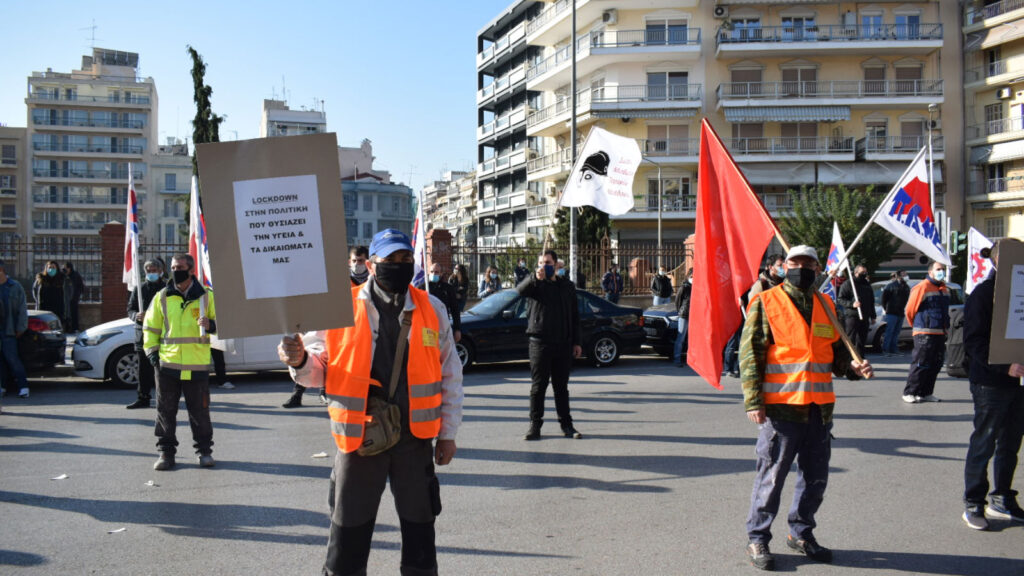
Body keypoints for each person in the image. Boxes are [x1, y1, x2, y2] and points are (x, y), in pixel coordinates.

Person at [277, 228, 463, 576]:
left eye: (405, 258)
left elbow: (450, 374)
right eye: (390, 260)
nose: (399, 265)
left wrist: (448, 433)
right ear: (371, 265)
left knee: (421, 537)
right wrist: (299, 360)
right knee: (348, 537)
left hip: (414, 441)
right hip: (359, 441)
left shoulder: (431, 307)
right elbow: (317, 371)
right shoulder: (339, 309)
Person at [741, 246, 873, 571]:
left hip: (819, 410)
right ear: (785, 265)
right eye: (795, 262)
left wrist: (854, 369)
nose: (801, 267)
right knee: (771, 478)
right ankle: (757, 537)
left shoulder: (826, 305)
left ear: (817, 267)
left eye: (808, 263)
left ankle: (801, 533)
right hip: (782, 409)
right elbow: (750, 355)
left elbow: (835, 358)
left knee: (815, 479)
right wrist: (753, 401)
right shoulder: (766, 302)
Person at [961, 238, 1024, 530]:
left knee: (1010, 443)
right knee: (984, 441)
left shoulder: (1020, 294)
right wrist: (1005, 365)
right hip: (990, 382)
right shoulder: (984, 294)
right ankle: (974, 503)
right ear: (998, 261)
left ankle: (1003, 498)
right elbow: (973, 341)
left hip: (1018, 383)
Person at [144, 253, 217, 471]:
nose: (176, 271)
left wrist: (211, 324)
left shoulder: (207, 296)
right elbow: (150, 327)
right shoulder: (162, 296)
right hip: (168, 365)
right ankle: (166, 453)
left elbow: (224, 323)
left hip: (197, 364)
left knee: (200, 412)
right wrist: (152, 354)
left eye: (181, 267)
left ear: (192, 269)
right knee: (165, 411)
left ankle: (204, 452)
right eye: (173, 267)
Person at [283, 246, 371, 410]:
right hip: (337, 325)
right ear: (348, 262)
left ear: (367, 262)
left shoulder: (372, 282)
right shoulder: (340, 282)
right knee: (313, 355)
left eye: (360, 261)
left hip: (359, 329)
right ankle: (298, 393)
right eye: (354, 261)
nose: (357, 264)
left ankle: (325, 391)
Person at [519, 249, 582, 441]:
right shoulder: (535, 284)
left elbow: (574, 316)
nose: (543, 266)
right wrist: (533, 278)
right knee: (538, 387)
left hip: (563, 343)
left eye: (547, 262)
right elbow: (520, 291)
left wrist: (577, 341)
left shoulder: (567, 286)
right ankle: (535, 425)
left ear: (556, 265)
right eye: (540, 262)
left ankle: (567, 425)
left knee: (561, 387)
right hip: (540, 343)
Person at [902, 261, 950, 403]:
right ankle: (910, 392)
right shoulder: (922, 287)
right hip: (925, 331)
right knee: (920, 363)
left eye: (943, 269)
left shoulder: (944, 289)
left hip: (940, 332)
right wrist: (917, 326)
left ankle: (926, 392)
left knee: (936, 363)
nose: (941, 271)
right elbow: (910, 310)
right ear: (930, 272)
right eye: (938, 269)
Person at [125, 259, 166, 409]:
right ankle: (143, 397)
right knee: (143, 369)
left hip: (162, 334)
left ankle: (165, 398)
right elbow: (130, 308)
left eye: (154, 270)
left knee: (163, 369)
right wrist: (136, 315)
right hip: (142, 334)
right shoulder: (139, 289)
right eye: (148, 270)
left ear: (161, 271)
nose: (151, 273)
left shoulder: (167, 288)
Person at [0, 259, 29, 399]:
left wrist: (20, 328)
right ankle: (2, 386)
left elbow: (22, 309)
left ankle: (23, 386)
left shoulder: (14, 287)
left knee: (12, 359)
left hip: (9, 330)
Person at [837, 265, 876, 358]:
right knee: (851, 338)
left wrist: (873, 316)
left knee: (862, 339)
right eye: (862, 272)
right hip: (852, 316)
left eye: (865, 272)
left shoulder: (866, 284)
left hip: (865, 316)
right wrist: (852, 304)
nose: (864, 274)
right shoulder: (848, 284)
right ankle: (848, 358)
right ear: (856, 273)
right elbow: (840, 299)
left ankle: (860, 357)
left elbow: (871, 300)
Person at [425, 262, 461, 343]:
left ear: (441, 273)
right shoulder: (422, 287)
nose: (434, 274)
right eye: (432, 272)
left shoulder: (448, 289)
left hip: (443, 326)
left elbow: (455, 310)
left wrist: (457, 329)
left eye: (437, 272)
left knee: (444, 353)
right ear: (428, 272)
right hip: (427, 327)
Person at [880, 270, 910, 356]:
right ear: (899, 276)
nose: (906, 276)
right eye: (904, 274)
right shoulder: (891, 286)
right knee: (889, 332)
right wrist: (886, 309)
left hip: (900, 312)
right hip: (891, 312)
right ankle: (886, 350)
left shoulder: (906, 287)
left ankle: (894, 349)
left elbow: (906, 299)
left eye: (906, 274)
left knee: (896, 332)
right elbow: (884, 299)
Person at [33, 260, 68, 326]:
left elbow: (66, 294)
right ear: (46, 268)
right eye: (50, 267)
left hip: (58, 309)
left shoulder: (61, 279)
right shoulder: (41, 279)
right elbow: (35, 291)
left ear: (57, 268)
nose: (51, 269)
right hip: (44, 308)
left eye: (53, 267)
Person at [673, 268, 693, 367]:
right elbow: (677, 301)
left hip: (693, 315)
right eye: (692, 276)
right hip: (684, 314)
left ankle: (691, 360)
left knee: (692, 339)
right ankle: (677, 359)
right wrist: (680, 311)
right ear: (688, 276)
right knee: (681, 337)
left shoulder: (696, 287)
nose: (693, 278)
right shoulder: (684, 287)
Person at [63, 262, 85, 333]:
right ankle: (67, 328)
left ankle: (75, 328)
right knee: (65, 314)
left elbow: (80, 286)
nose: (66, 269)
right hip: (65, 298)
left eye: (67, 268)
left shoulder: (75, 275)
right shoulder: (63, 275)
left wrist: (78, 295)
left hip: (74, 298)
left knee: (73, 314)